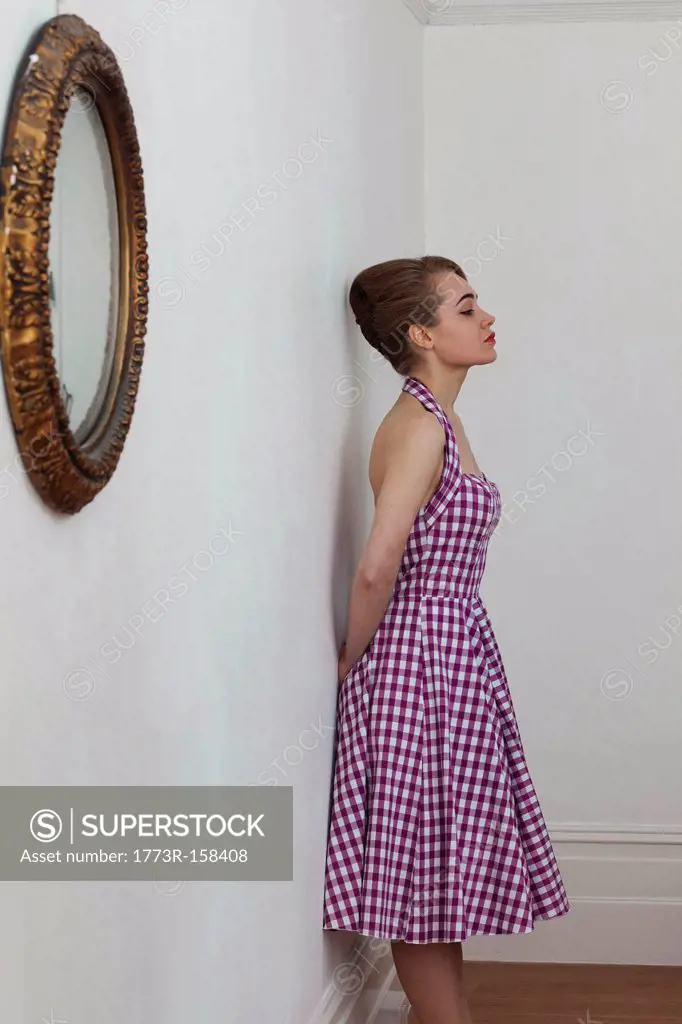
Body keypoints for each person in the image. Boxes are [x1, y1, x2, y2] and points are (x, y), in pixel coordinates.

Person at [322, 256, 570, 1024]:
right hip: (420, 663)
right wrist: (351, 661)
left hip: (453, 653)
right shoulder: (420, 429)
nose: (486, 318)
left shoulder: (441, 418)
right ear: (421, 332)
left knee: (442, 868)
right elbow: (377, 562)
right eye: (466, 308)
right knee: (425, 874)